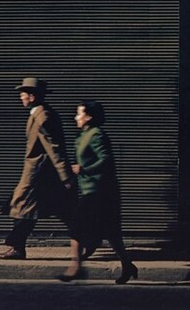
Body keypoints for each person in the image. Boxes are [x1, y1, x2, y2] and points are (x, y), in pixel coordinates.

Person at [59, 100, 137, 283]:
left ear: (89, 117)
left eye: (79, 113)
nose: (75, 117)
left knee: (76, 226)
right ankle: (127, 265)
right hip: (92, 189)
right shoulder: (84, 135)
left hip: (100, 191)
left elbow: (106, 160)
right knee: (111, 232)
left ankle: (76, 267)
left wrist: (84, 169)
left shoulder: (96, 135)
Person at [0, 77, 74, 260]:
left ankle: (17, 247)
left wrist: (66, 176)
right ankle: (87, 236)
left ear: (32, 96)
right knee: (59, 209)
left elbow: (54, 148)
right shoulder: (38, 113)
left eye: (23, 94)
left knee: (24, 208)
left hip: (38, 173)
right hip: (38, 171)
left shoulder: (42, 116)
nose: (20, 97)